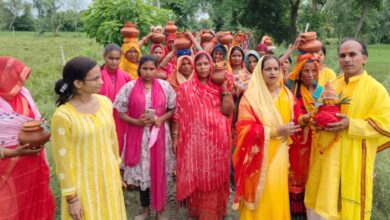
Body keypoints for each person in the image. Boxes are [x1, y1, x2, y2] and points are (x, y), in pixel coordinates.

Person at [305, 38, 390, 220]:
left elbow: (387, 125)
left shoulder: (376, 90)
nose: (347, 59)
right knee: (322, 210)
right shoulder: (331, 85)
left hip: (353, 161)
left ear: (365, 58)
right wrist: (316, 120)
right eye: (342, 55)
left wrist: (351, 124)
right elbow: (316, 110)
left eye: (352, 54)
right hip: (326, 161)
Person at [52, 57, 126, 220]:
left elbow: (112, 140)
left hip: (108, 178)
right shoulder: (63, 116)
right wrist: (72, 198)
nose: (101, 81)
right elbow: (62, 162)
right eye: (95, 78)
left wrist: (117, 172)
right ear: (78, 83)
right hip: (83, 185)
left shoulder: (105, 103)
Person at [233, 55, 301, 219]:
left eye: (276, 69)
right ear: (260, 72)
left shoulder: (287, 95)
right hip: (258, 154)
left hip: (280, 153)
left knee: (276, 191)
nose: (272, 72)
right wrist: (275, 132)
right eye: (268, 69)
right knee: (262, 192)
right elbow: (244, 128)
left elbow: (296, 119)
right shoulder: (251, 97)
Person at [173, 51, 234, 220]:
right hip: (196, 141)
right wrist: (176, 136)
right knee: (199, 173)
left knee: (214, 174)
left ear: (211, 65)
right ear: (194, 67)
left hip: (218, 139)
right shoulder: (185, 88)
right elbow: (178, 114)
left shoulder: (219, 85)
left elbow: (228, 111)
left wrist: (225, 89)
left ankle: (214, 212)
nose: (203, 67)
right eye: (199, 64)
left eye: (206, 64)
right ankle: (199, 210)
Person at [114, 55, 176, 220]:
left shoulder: (165, 87)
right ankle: (146, 211)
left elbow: (172, 109)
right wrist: (137, 121)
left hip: (160, 136)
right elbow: (120, 113)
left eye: (151, 69)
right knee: (144, 174)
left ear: (156, 69)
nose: (148, 72)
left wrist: (162, 118)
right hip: (138, 136)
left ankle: (160, 211)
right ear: (139, 69)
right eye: (145, 68)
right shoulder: (129, 87)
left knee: (159, 172)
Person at [0, 56, 55, 220]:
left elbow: (37, 119)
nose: (21, 82)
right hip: (6, 166)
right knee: (7, 207)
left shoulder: (24, 94)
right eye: (17, 77)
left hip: (32, 163)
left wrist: (45, 131)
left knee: (30, 204)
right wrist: (12, 152)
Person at [288, 53, 321, 219]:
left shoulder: (320, 90)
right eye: (306, 71)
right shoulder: (293, 91)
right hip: (297, 142)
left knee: (313, 174)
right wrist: (303, 119)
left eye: (313, 71)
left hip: (316, 142)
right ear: (299, 73)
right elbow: (288, 117)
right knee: (297, 175)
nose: (310, 75)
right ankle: (296, 214)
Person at [99, 43, 131, 153]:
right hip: (103, 117)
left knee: (121, 144)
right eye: (110, 58)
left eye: (117, 59)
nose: (114, 62)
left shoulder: (126, 77)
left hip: (122, 118)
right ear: (104, 57)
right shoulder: (98, 77)